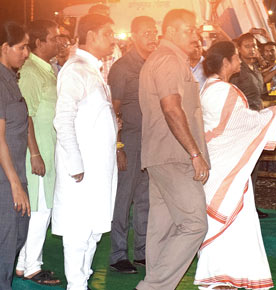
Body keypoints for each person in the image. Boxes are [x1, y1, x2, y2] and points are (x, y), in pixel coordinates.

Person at [194, 40, 276, 290]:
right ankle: (219, 276)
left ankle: (225, 276)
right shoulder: (223, 91)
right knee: (232, 218)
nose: (239, 60)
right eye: (236, 56)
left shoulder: (211, 88)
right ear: (226, 61)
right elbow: (242, 123)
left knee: (236, 220)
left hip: (224, 163)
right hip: (226, 165)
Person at [136, 9, 210, 290]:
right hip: (174, 155)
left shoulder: (165, 59)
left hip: (161, 155)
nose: (196, 35)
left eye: (195, 30)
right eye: (189, 30)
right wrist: (194, 153)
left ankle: (154, 283)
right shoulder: (168, 60)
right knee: (194, 224)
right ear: (169, 32)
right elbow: (171, 108)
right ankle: (152, 286)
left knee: (162, 228)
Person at [52, 14, 118, 290]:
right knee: (78, 229)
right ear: (91, 36)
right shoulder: (75, 69)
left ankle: (83, 280)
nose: (113, 41)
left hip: (98, 168)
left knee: (93, 230)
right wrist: (75, 163)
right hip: (81, 168)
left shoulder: (93, 69)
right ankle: (76, 284)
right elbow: (63, 119)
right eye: (107, 34)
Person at [107, 15, 158, 274]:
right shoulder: (122, 68)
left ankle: (142, 252)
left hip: (149, 140)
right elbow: (112, 110)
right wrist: (117, 146)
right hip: (128, 140)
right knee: (123, 199)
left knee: (144, 200)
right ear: (134, 35)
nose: (153, 37)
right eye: (147, 33)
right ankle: (117, 254)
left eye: (154, 32)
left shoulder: (154, 64)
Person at [14, 19, 61, 286]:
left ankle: (24, 263)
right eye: (53, 38)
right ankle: (32, 265)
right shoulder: (31, 71)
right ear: (39, 42)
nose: (58, 42)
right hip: (38, 153)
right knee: (40, 210)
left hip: (46, 150)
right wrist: (35, 153)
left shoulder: (47, 69)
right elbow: (26, 115)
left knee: (40, 209)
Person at [0, 21, 30, 290]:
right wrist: (14, 184)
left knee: (18, 237)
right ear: (4, 48)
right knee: (6, 247)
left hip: (17, 174)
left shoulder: (11, 79)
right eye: (21, 47)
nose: (26, 53)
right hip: (5, 179)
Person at [229, 33, 270, 218]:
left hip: (256, 121)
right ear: (239, 48)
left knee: (253, 165)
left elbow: (260, 93)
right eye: (247, 46)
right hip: (242, 122)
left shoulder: (255, 68)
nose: (252, 49)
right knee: (243, 165)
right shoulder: (237, 70)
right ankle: (238, 206)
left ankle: (250, 205)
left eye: (254, 46)